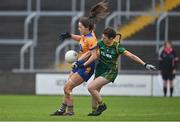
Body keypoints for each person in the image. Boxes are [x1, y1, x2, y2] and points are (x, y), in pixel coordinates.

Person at [51, 0, 109, 116]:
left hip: (86, 66)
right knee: (67, 87)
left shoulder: (91, 39)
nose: (78, 28)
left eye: (80, 27)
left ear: (87, 28)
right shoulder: (86, 34)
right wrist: (70, 36)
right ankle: (62, 110)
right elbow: (81, 39)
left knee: (67, 88)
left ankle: (70, 111)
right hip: (80, 63)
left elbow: (94, 56)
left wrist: (83, 64)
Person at [87, 27, 156, 116]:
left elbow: (131, 55)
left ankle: (102, 105)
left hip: (111, 71)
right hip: (100, 69)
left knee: (91, 87)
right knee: (95, 91)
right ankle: (94, 112)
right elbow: (91, 51)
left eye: (104, 38)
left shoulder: (117, 47)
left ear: (111, 38)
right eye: (102, 37)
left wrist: (145, 64)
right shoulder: (100, 43)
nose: (102, 39)